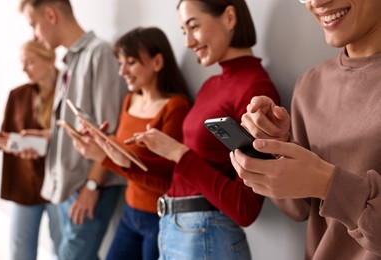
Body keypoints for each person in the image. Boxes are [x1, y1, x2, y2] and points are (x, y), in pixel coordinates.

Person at [230, 0, 381, 259]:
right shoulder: (310, 84)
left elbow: (325, 189)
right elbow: (300, 210)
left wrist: (328, 184)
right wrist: (278, 149)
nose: (316, 2)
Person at [133, 0, 280, 259]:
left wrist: (180, 153)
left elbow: (245, 208)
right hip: (174, 229)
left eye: (194, 26)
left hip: (206, 237)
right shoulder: (211, 85)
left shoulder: (255, 90)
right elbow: (185, 174)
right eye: (183, 31)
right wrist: (118, 160)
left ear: (230, 18)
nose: (188, 42)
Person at [70, 26, 191, 260]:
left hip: (159, 219)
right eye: (120, 62)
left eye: (131, 62)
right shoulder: (130, 100)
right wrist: (101, 141)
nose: (122, 71)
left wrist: (106, 157)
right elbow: (126, 154)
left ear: (157, 62)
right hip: (130, 212)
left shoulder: (175, 107)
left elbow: (167, 179)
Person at [18, 1, 127, 259]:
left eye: (34, 25)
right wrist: (46, 138)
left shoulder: (99, 54)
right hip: (66, 189)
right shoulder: (69, 62)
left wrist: (92, 185)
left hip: (88, 188)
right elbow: (76, 128)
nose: (34, 34)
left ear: (50, 15)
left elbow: (109, 131)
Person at [0, 40, 61, 260]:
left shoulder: (69, 94)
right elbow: (6, 134)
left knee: (65, 250)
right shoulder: (18, 95)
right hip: (25, 183)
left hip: (60, 185)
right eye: (23, 63)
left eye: (29, 62)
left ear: (49, 61)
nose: (24, 69)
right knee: (20, 252)